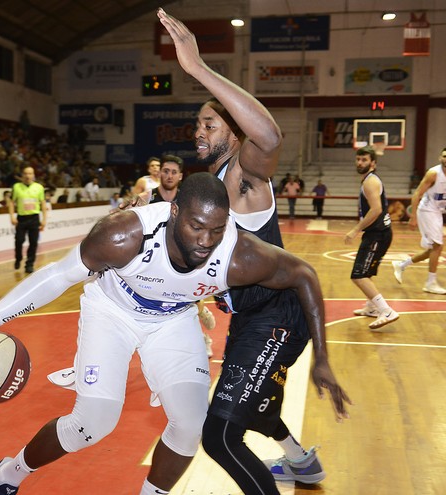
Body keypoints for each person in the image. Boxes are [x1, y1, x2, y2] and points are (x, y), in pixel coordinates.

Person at [0, 173, 349, 495]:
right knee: (92, 424)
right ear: (173, 212)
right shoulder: (123, 235)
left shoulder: (237, 254)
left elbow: (305, 275)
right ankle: (6, 474)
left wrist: (323, 359)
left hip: (172, 321)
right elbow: (58, 276)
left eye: (216, 230)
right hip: (112, 313)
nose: (205, 242)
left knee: (191, 425)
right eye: (195, 227)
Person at [159, 9, 350, 493]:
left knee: (220, 436)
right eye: (198, 124)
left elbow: (269, 137)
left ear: (233, 130)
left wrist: (198, 69)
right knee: (257, 405)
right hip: (251, 316)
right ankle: (301, 462)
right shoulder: (207, 188)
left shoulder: (243, 178)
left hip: (278, 312)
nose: (199, 131)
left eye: (210, 123)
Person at [136, 154, 216, 356]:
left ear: (180, 176)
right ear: (159, 173)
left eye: (174, 172)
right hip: (154, 260)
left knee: (188, 305)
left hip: (181, 258)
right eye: (166, 171)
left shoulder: (187, 199)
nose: (169, 176)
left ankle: (203, 328)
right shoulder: (146, 198)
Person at [343, 147, 399, 329]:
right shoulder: (368, 180)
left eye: (364, 160)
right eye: (358, 159)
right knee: (365, 273)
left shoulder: (370, 182)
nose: (360, 163)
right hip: (379, 233)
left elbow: (376, 210)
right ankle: (372, 307)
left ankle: (386, 310)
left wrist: (355, 230)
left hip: (377, 234)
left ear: (373, 163)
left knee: (358, 275)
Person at [392, 147, 446, 295]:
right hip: (427, 210)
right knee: (438, 246)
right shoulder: (433, 173)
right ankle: (430, 283)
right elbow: (417, 193)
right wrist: (413, 216)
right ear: (440, 158)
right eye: (444, 156)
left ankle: (401, 265)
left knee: (433, 249)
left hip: (437, 212)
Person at [10, 166, 47, 274]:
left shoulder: (39, 187)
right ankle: (18, 258)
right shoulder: (16, 187)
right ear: (22, 175)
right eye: (25, 173)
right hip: (21, 218)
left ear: (33, 175)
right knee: (19, 240)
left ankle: (29, 264)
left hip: (34, 218)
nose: (28, 176)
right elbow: (12, 202)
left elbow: (43, 204)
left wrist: (44, 219)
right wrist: (12, 216)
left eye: (30, 173)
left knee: (33, 242)